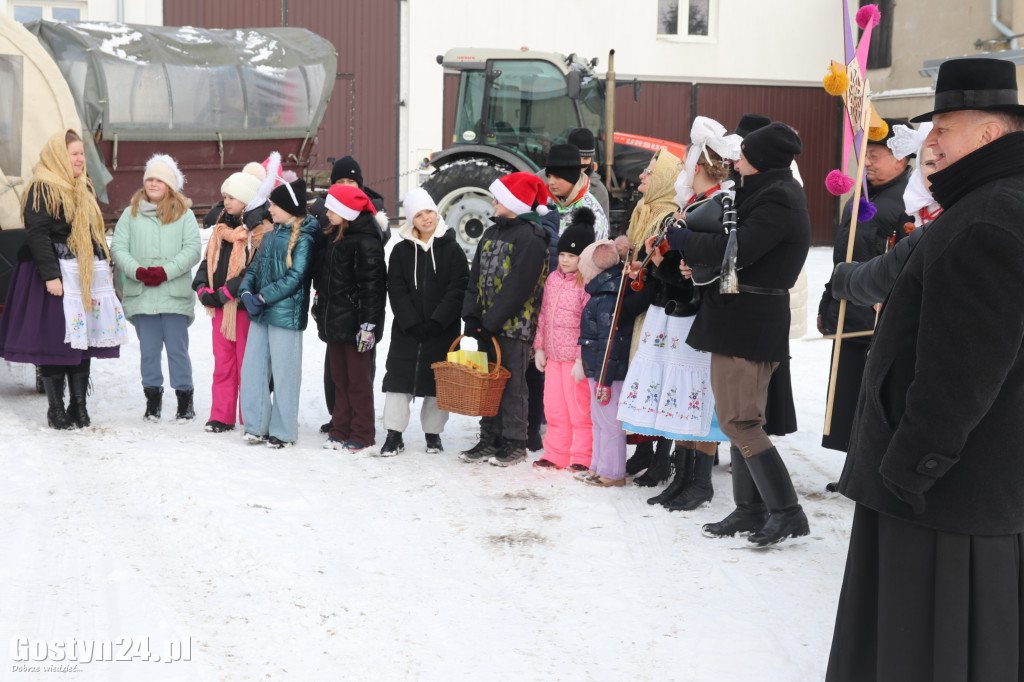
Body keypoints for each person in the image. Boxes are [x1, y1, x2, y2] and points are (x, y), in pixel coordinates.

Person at [826, 57, 1024, 681]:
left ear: (990, 136)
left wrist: (912, 470)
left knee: (930, 649)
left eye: (943, 128)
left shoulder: (988, 218)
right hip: (951, 489)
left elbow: (962, 372)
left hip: (944, 496)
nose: (928, 144)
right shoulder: (982, 205)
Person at [667, 121, 811, 546]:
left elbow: (738, 250)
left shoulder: (780, 197)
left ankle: (786, 512)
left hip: (751, 318)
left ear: (762, 159)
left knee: (741, 420)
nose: (735, 157)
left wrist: (685, 241)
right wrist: (701, 267)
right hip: (738, 313)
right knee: (738, 419)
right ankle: (750, 508)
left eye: (744, 151)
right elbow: (734, 256)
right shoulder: (763, 191)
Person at [620, 118, 739, 511]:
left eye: (688, 161)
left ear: (700, 166)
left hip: (697, 313)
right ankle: (684, 477)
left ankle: (698, 482)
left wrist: (677, 263)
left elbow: (720, 258)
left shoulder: (719, 204)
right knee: (680, 394)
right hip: (679, 311)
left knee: (695, 397)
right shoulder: (697, 203)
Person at [0, 129, 129, 429]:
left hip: (84, 275)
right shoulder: (43, 188)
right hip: (55, 276)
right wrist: (50, 277)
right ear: (59, 155)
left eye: (82, 153)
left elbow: (94, 229)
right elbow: (38, 235)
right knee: (57, 341)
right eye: (74, 153)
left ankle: (79, 407)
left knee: (83, 341)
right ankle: (56, 409)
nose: (80, 158)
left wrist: (104, 259)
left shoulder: (82, 187)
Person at [817, 117, 912, 453]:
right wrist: (828, 303)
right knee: (844, 398)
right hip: (847, 309)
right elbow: (843, 256)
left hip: (872, 318)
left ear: (900, 157)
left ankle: (865, 463)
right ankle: (850, 463)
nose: (867, 162)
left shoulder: (906, 202)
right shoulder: (862, 194)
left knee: (869, 398)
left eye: (876, 155)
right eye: (865, 155)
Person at [460, 172, 550, 467]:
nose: (494, 202)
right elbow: (476, 277)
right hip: (488, 323)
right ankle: (490, 437)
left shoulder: (531, 238)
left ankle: (515, 442)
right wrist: (472, 317)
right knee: (488, 383)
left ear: (516, 202)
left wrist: (492, 321)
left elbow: (519, 286)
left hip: (514, 326)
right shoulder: (491, 232)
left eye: (500, 197)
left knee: (512, 385)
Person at [110, 154, 201, 423]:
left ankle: (185, 399)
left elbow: (193, 250)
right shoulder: (131, 213)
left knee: (177, 349)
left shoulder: (184, 214)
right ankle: (153, 400)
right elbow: (118, 248)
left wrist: (166, 271)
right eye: (149, 178)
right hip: (143, 294)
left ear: (169, 185)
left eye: (159, 180)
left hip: (173, 294)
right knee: (149, 351)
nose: (152, 183)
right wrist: (137, 271)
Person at [380, 188, 467, 455]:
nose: (426, 218)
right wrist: (412, 322)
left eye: (429, 211)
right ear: (411, 219)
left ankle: (433, 434)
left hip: (442, 330)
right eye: (419, 214)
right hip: (408, 330)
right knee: (397, 381)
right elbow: (396, 288)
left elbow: (458, 287)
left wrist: (438, 321)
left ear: (436, 212)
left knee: (438, 384)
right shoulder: (400, 251)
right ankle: (394, 434)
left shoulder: (452, 249)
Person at [310, 155, 390, 433]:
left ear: (346, 210)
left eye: (332, 209)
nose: (326, 213)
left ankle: (362, 432)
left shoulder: (367, 243)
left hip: (357, 326)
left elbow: (373, 290)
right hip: (335, 323)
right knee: (339, 379)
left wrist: (369, 326)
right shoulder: (334, 237)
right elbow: (326, 280)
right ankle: (340, 426)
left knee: (358, 382)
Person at [238, 178, 318, 448]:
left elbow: (296, 277)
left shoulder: (305, 239)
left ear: (288, 207)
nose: (269, 209)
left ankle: (283, 431)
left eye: (273, 205)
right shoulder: (270, 236)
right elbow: (254, 268)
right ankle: (256, 424)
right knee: (253, 370)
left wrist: (262, 296)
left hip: (285, 316)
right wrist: (248, 292)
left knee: (285, 374)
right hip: (260, 314)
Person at [191, 170, 273, 433]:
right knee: (223, 363)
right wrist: (202, 286)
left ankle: (250, 416)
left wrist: (231, 290)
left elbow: (256, 269)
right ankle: (221, 415)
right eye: (225, 196)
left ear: (247, 200)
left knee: (247, 365)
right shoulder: (220, 230)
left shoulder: (258, 231)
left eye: (232, 197)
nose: (226, 202)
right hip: (219, 309)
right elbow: (207, 262)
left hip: (242, 309)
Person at [576, 237, 643, 487]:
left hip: (608, 371)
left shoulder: (606, 295)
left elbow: (609, 339)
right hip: (600, 368)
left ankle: (612, 473)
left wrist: (604, 377)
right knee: (599, 419)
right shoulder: (603, 292)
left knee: (610, 421)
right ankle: (598, 466)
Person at [532, 216, 595, 471]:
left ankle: (582, 456)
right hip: (553, 357)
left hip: (573, 359)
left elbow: (588, 323)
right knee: (554, 408)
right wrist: (539, 347)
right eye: (563, 254)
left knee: (579, 410)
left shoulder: (586, 284)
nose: (566, 260)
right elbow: (544, 316)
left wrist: (582, 357)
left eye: (572, 255)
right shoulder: (552, 280)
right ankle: (555, 453)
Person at [545, 143, 609, 240]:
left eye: (557, 177)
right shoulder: (542, 202)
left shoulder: (591, 213)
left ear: (572, 177)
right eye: (549, 176)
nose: (551, 182)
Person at [568, 128, 611, 219]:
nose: (581, 163)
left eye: (586, 158)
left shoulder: (599, 191)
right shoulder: (543, 179)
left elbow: (604, 229)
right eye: (577, 157)